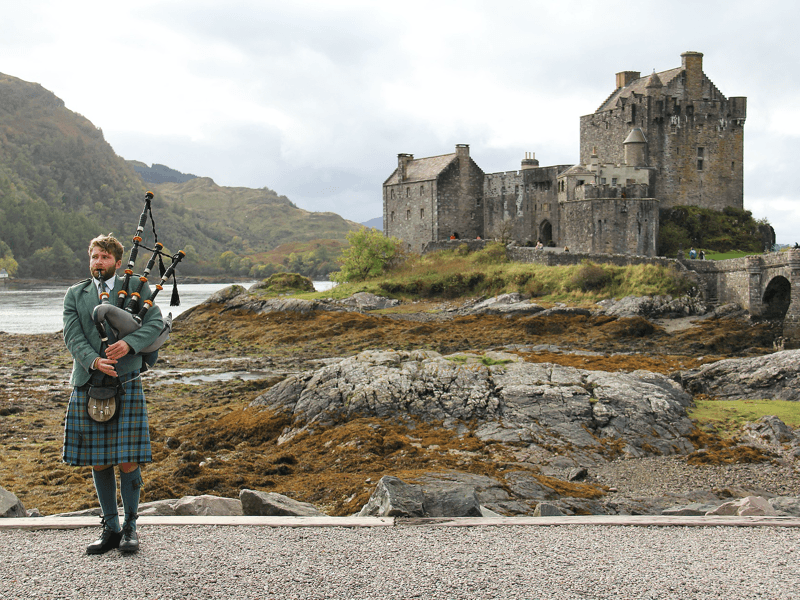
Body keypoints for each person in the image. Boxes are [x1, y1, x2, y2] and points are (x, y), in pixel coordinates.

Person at [62, 234, 164, 555]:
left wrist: (129, 344)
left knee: (127, 459)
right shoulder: (74, 294)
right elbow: (72, 335)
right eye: (94, 257)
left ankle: (131, 527)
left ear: (117, 263)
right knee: (98, 460)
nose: (98, 263)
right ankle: (110, 527)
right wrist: (94, 360)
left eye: (105, 258)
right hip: (90, 382)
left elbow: (156, 323)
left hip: (127, 380)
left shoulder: (136, 288)